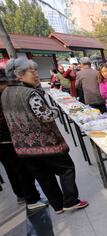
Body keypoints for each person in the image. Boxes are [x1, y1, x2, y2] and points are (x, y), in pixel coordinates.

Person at [1, 58, 88, 214]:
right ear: (19, 75)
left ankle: (58, 206)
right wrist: (55, 109)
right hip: (46, 144)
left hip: (23, 148)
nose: (35, 74)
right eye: (32, 71)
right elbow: (45, 115)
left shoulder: (5, 93)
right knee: (66, 169)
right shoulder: (29, 93)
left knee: (44, 177)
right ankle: (70, 201)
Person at [0, 68, 47, 211]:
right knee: (21, 170)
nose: (6, 87)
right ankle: (31, 199)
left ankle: (21, 195)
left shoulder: (4, 95)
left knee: (12, 169)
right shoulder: (3, 97)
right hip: (8, 139)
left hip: (6, 140)